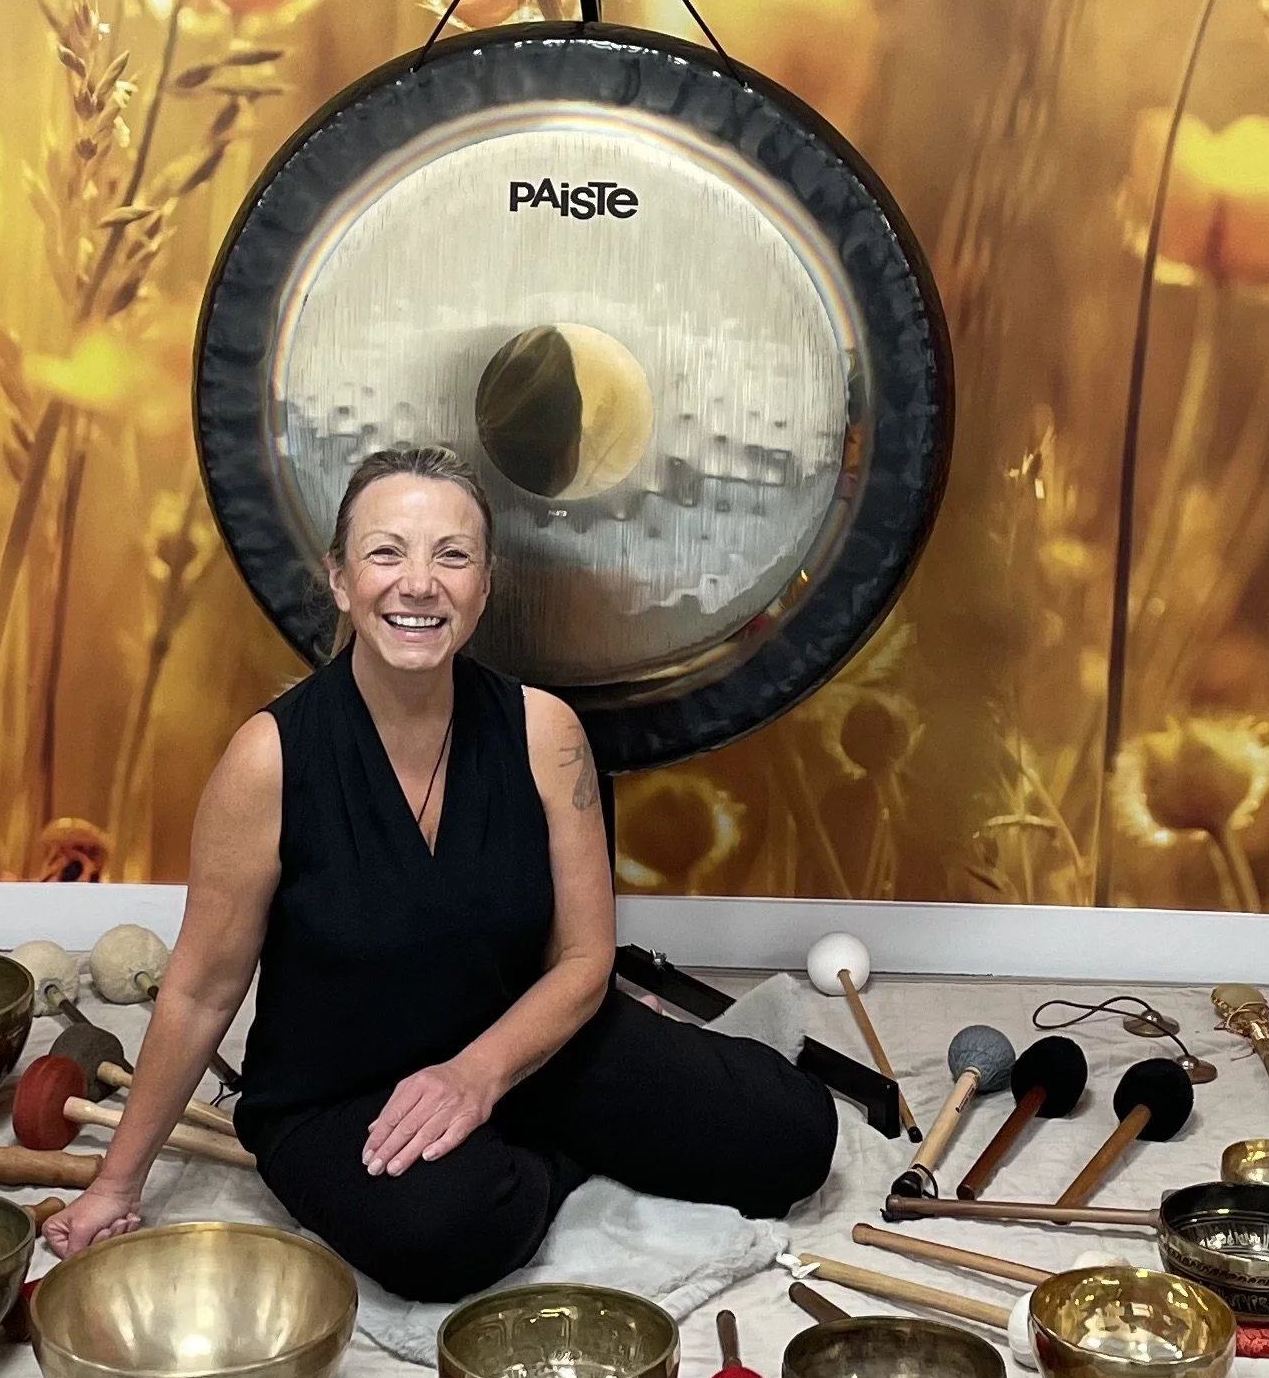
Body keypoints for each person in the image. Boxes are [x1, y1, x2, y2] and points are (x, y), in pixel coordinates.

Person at [43, 445, 837, 1299]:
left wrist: (480, 1074)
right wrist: (117, 1183)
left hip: (531, 1048)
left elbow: (581, 960)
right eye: (386, 551)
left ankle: (529, 1133)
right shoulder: (268, 759)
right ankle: (542, 1156)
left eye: (450, 555)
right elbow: (200, 990)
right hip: (338, 1090)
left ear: (484, 585)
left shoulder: (545, 731)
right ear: (341, 579)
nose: (418, 583)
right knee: (446, 1236)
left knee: (791, 1139)